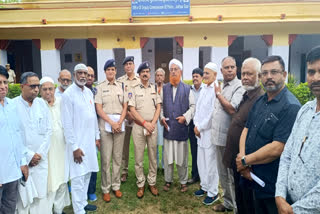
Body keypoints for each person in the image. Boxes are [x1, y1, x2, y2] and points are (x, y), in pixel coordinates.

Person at [236, 55, 301, 214]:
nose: (269, 77)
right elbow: (246, 129)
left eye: (274, 72)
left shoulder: (290, 107)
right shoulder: (261, 100)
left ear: (284, 75)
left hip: (270, 184)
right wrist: (244, 161)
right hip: (249, 175)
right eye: (264, 73)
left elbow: (278, 148)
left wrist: (245, 160)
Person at [275, 46, 320, 214]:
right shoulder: (305, 110)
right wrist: (280, 195)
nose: (316, 78)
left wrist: (293, 210)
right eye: (311, 72)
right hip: (287, 204)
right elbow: (287, 154)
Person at [223, 57, 264, 214]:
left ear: (259, 76)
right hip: (238, 157)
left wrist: (246, 160)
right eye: (243, 74)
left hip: (246, 161)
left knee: (247, 201)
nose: (245, 77)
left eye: (249, 74)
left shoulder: (259, 99)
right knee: (240, 198)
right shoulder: (247, 95)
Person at [61, 64, 100, 214]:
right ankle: (78, 210)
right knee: (78, 177)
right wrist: (74, 147)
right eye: (80, 73)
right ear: (75, 74)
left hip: (90, 142)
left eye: (85, 73)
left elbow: (93, 117)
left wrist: (97, 137)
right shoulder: (68, 95)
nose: (83, 76)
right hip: (77, 145)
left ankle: (83, 203)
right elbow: (67, 124)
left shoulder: (89, 93)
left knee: (88, 173)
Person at [14, 72, 52, 214]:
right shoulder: (13, 106)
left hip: (41, 159)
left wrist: (39, 154)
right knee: (23, 198)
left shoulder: (42, 104)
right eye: (33, 86)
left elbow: (49, 131)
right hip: (22, 161)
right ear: (22, 86)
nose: (37, 89)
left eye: (38, 86)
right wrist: (29, 156)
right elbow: (13, 135)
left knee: (41, 196)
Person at [212, 56, 245, 213]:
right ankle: (227, 202)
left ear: (236, 69)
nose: (230, 70)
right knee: (222, 172)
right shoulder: (222, 86)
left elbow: (232, 109)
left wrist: (218, 95)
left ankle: (237, 207)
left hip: (229, 139)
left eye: (232, 67)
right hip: (218, 138)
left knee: (231, 174)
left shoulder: (239, 86)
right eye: (227, 67)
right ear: (221, 70)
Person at [95, 59, 127, 202]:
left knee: (117, 157)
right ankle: (105, 188)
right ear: (105, 72)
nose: (111, 72)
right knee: (106, 158)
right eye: (108, 70)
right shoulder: (100, 87)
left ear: (115, 71)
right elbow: (99, 108)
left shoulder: (122, 85)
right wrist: (111, 122)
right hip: (106, 126)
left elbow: (125, 106)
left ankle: (116, 186)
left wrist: (119, 122)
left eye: (113, 69)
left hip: (119, 126)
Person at [161, 59, 195, 193]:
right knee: (168, 158)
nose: (173, 72)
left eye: (176, 69)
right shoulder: (164, 88)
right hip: (168, 129)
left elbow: (193, 107)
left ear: (180, 72)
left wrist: (185, 117)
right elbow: (161, 107)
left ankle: (183, 181)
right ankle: (168, 180)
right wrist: (162, 117)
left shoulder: (187, 89)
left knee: (182, 158)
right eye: (171, 70)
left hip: (181, 129)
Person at [129, 62, 161, 198]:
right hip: (138, 126)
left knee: (153, 156)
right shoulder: (134, 89)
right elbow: (131, 109)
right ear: (139, 74)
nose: (145, 73)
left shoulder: (154, 88)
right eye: (143, 71)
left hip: (152, 126)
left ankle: (152, 182)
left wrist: (152, 123)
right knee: (139, 157)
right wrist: (144, 123)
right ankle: (141, 184)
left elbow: (158, 107)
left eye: (147, 71)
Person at [39, 76, 70, 214]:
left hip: (62, 149)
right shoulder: (38, 105)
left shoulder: (62, 102)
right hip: (47, 152)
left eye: (50, 89)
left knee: (62, 180)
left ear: (55, 89)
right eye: (44, 89)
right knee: (50, 183)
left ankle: (58, 210)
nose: (48, 92)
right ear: (40, 91)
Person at [0, 65, 28, 214]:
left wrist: (23, 162)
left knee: (10, 207)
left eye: (5, 83)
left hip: (13, 171)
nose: (3, 87)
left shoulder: (11, 105)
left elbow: (18, 136)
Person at [193, 62, 219, 205]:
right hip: (200, 133)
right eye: (204, 73)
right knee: (201, 161)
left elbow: (211, 114)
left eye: (208, 73)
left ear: (215, 75)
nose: (205, 75)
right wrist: (196, 125)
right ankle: (204, 187)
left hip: (208, 132)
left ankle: (213, 192)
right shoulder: (203, 89)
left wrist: (201, 127)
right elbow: (198, 109)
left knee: (211, 163)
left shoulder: (215, 90)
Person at [117, 56, 141, 183]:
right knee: (123, 147)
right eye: (126, 64)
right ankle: (124, 171)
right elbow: (119, 100)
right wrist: (127, 115)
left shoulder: (140, 80)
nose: (128, 66)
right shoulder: (120, 81)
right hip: (125, 118)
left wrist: (134, 115)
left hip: (137, 119)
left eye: (130, 64)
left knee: (138, 146)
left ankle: (139, 172)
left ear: (134, 65)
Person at [187, 67, 204, 185]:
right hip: (192, 124)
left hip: (204, 124)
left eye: (197, 76)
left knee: (204, 151)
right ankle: (194, 175)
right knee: (194, 150)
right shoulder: (189, 90)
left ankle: (204, 175)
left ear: (201, 78)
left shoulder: (206, 90)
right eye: (193, 76)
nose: (194, 78)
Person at [85, 66, 98, 202]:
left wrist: (97, 135)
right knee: (81, 163)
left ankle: (91, 190)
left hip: (94, 131)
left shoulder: (96, 91)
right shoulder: (76, 91)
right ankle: (81, 190)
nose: (89, 78)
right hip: (81, 133)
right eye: (87, 75)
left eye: (91, 75)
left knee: (93, 162)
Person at [155, 68, 165, 171]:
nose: (159, 77)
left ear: (164, 77)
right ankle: (156, 165)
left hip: (163, 118)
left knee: (165, 142)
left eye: (161, 75)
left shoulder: (166, 88)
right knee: (155, 143)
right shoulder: (151, 88)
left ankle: (164, 165)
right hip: (154, 118)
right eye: (157, 75)